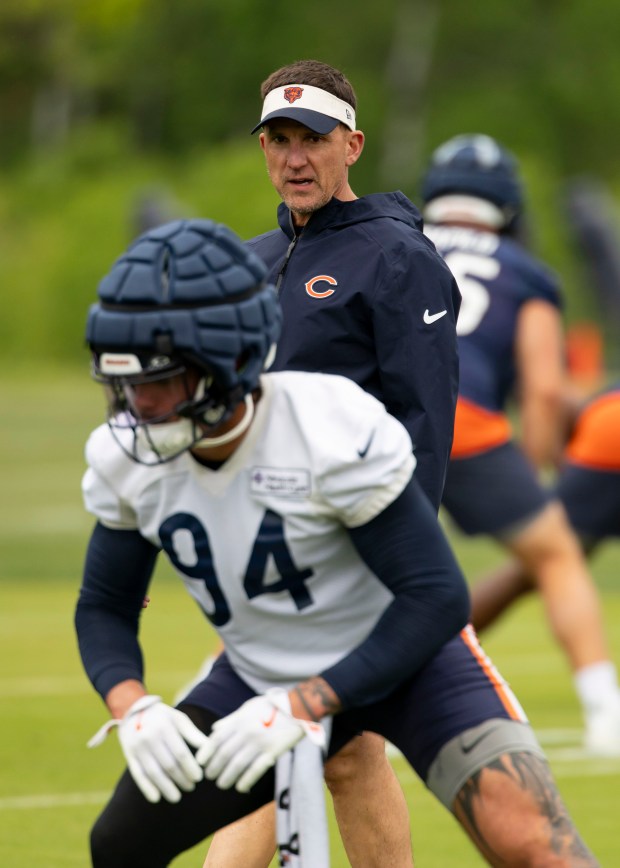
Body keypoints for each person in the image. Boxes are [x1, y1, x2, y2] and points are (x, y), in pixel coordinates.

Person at [76, 218, 597, 867]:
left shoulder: (324, 426)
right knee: (120, 844)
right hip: (261, 667)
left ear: (229, 361)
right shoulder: (127, 460)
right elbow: (104, 602)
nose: (139, 406)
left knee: (536, 845)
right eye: (126, 383)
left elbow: (434, 598)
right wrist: (132, 705)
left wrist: (305, 702)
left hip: (406, 658)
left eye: (161, 380)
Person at [205, 57, 462, 867]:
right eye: (278, 140)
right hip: (261, 556)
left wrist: (399, 561)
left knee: (291, 748)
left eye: (312, 138)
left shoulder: (398, 258)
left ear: (351, 145)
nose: (294, 157)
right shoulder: (245, 263)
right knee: (335, 753)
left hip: (358, 556)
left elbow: (427, 425)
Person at [419, 132, 620, 754]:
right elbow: (541, 387)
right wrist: (529, 473)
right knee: (556, 553)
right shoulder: (525, 272)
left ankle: (221, 682)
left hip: (378, 430)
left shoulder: (392, 246)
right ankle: (605, 711)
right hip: (468, 428)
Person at [471, 380, 620, 754]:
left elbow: (558, 395)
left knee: (543, 564)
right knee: (548, 561)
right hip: (607, 430)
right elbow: (550, 389)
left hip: (606, 425)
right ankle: (435, 644)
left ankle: (434, 645)